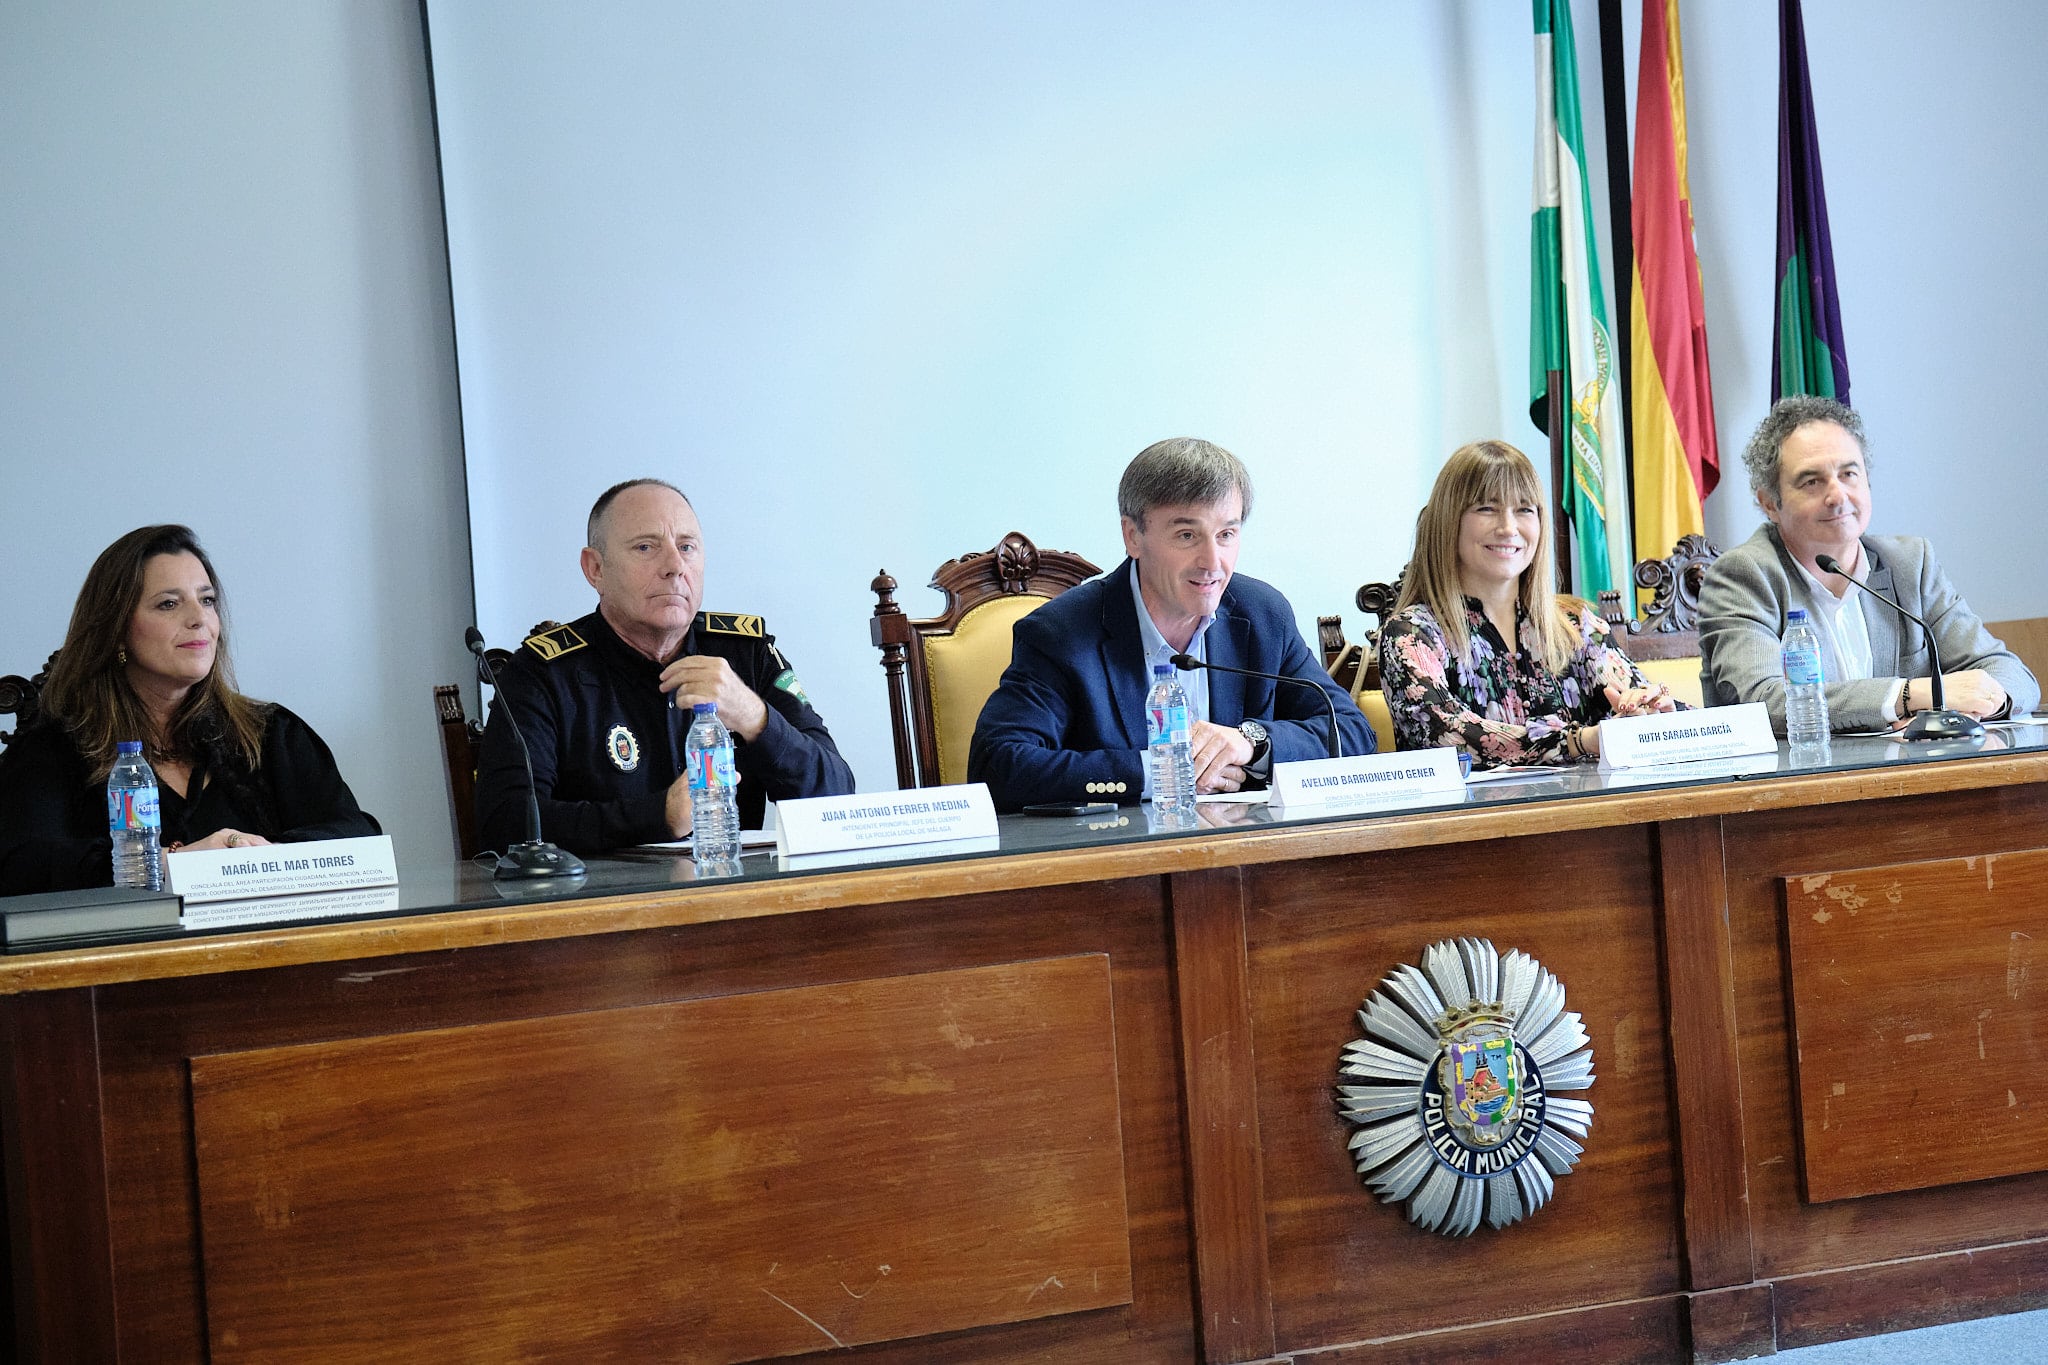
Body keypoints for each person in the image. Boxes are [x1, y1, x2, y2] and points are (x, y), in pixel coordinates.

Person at [967, 437, 1374, 811]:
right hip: (1121, 865)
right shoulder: (1062, 633)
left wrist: (1252, 744)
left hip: (1248, 856)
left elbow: (1353, 734)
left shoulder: (1262, 615)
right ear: (1133, 537)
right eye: (1186, 535)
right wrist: (1160, 772)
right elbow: (1000, 767)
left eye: (1227, 534)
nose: (1213, 562)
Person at [476, 478, 854, 855]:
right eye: (646, 547)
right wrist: (659, 815)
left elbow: (838, 795)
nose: (675, 566)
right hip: (605, 907)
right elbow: (504, 823)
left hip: (734, 898)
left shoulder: (746, 654)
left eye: (687, 547)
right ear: (595, 569)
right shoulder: (543, 671)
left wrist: (757, 720)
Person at [0, 525, 379, 896]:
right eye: (169, 603)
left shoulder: (272, 733)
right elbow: (23, 865)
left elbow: (354, 834)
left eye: (207, 600)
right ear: (116, 630)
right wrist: (171, 863)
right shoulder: (53, 749)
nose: (199, 618)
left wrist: (250, 857)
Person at [1698, 397, 2038, 731]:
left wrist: (1987, 702)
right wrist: (1910, 695)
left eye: (1848, 474)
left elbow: (2008, 672)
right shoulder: (1743, 576)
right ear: (1770, 504)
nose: (1838, 496)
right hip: (1800, 781)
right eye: (1811, 481)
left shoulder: (1910, 564)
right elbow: (1764, 702)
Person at [1377, 440, 1677, 767]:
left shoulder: (1576, 623)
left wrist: (1652, 711)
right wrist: (1579, 741)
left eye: (1524, 510)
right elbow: (1446, 735)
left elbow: (1644, 702)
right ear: (1449, 521)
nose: (1508, 528)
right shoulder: (1411, 635)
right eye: (1486, 508)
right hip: (1473, 817)